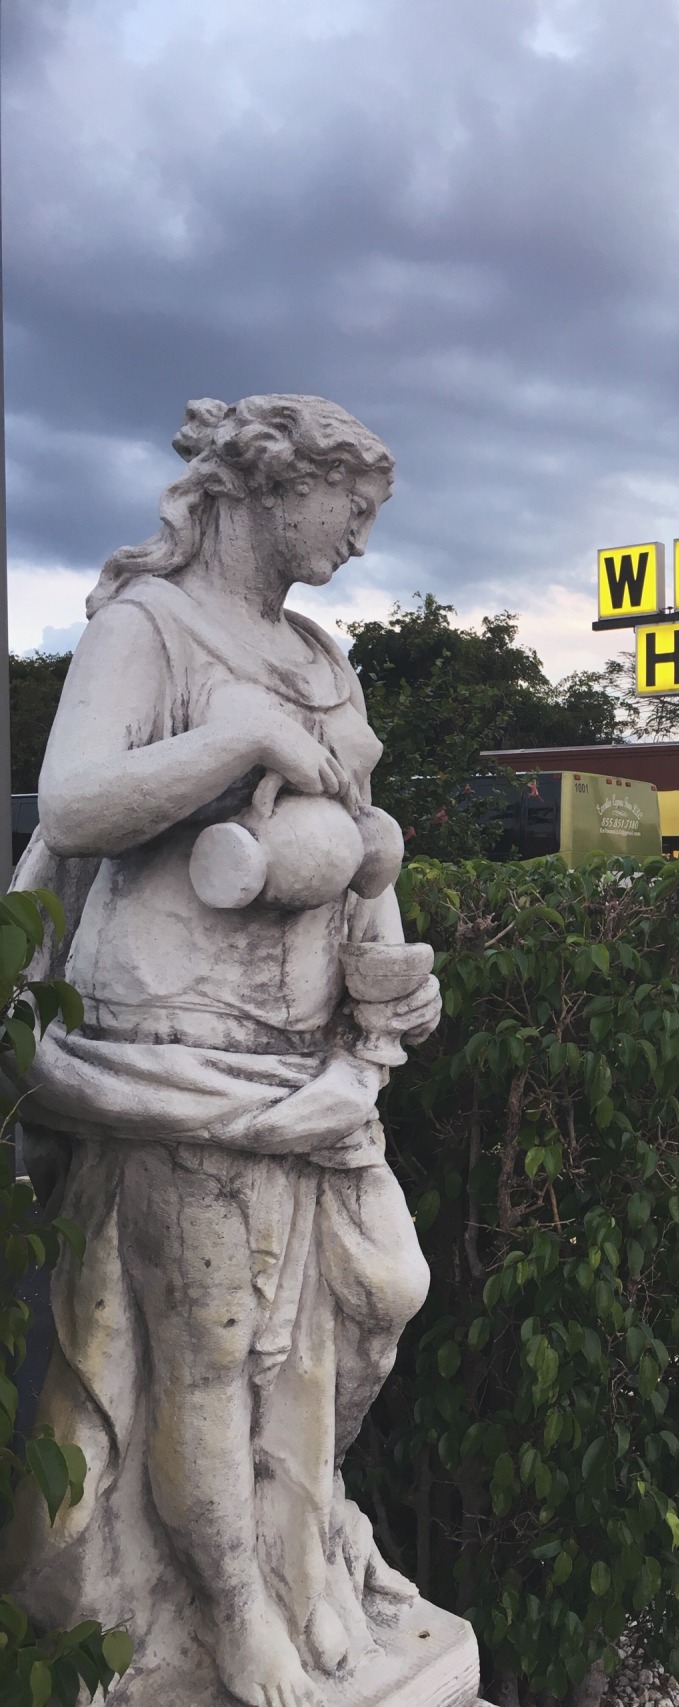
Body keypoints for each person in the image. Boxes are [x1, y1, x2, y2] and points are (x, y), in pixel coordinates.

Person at [2, 397, 440, 1707]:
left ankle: (303, 1543)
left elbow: (364, 838)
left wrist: (389, 983)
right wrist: (243, 737)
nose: (359, 541)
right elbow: (75, 800)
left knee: (382, 1292)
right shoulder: (149, 626)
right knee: (211, 1353)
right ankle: (233, 1608)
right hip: (172, 1050)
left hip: (311, 1060)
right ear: (272, 486)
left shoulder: (321, 652)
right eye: (351, 511)